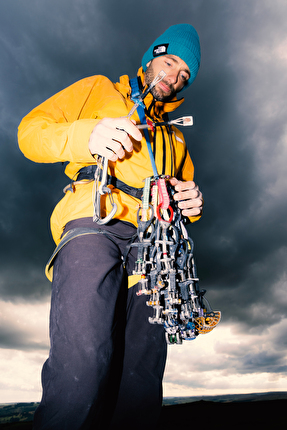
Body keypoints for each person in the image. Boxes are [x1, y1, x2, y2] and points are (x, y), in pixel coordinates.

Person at [18, 24, 203, 430]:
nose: (173, 79)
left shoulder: (176, 139)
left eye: (184, 75)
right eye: (170, 62)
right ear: (151, 56)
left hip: (153, 248)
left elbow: (182, 200)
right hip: (93, 219)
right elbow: (29, 134)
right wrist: (88, 134)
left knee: (141, 377)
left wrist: (192, 204)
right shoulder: (99, 89)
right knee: (81, 365)